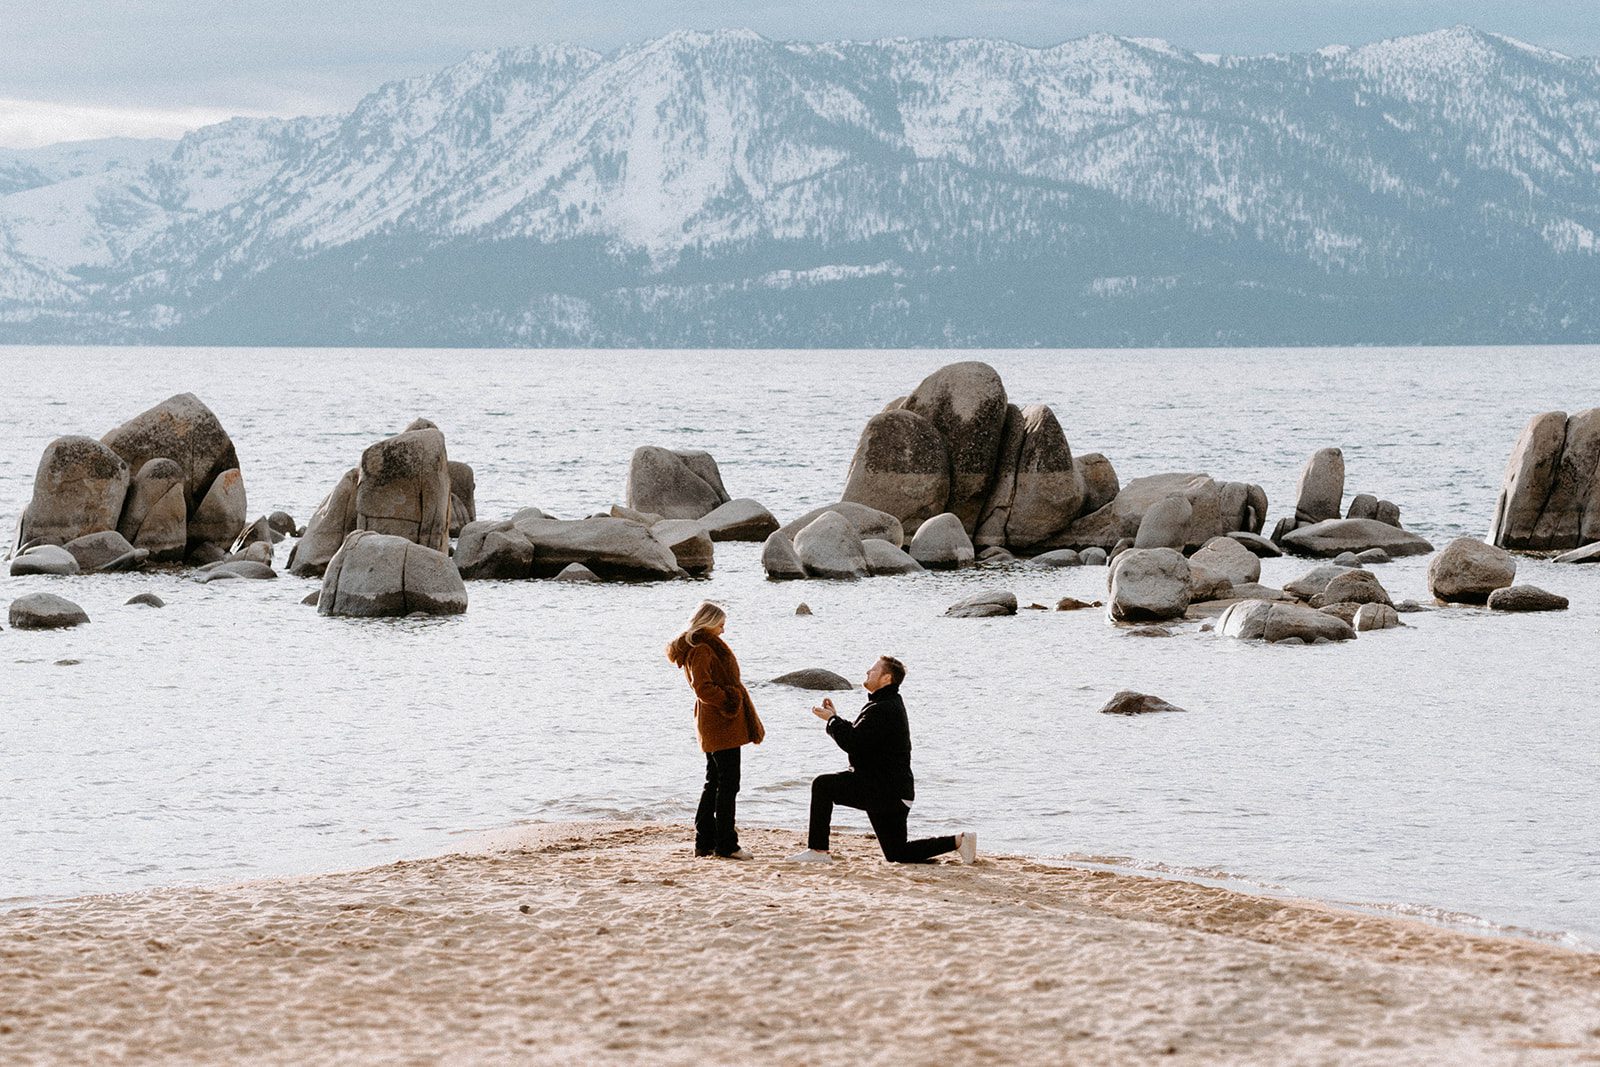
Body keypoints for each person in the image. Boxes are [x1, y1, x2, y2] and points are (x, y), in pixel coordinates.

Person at [787, 655, 975, 865]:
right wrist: (835, 718)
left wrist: (831, 721)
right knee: (897, 853)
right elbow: (862, 737)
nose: (868, 672)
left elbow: (854, 742)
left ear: (886, 678)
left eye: (873, 670)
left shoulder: (884, 707)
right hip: (893, 792)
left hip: (884, 791)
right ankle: (959, 841)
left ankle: (818, 851)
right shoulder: (886, 704)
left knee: (823, 785)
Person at [666, 602, 765, 860]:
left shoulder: (701, 647)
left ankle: (705, 841)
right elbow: (703, 688)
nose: (723, 630)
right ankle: (726, 844)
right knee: (727, 784)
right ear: (708, 623)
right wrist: (731, 699)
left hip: (717, 722)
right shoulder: (702, 650)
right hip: (721, 722)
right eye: (720, 624)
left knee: (715, 782)